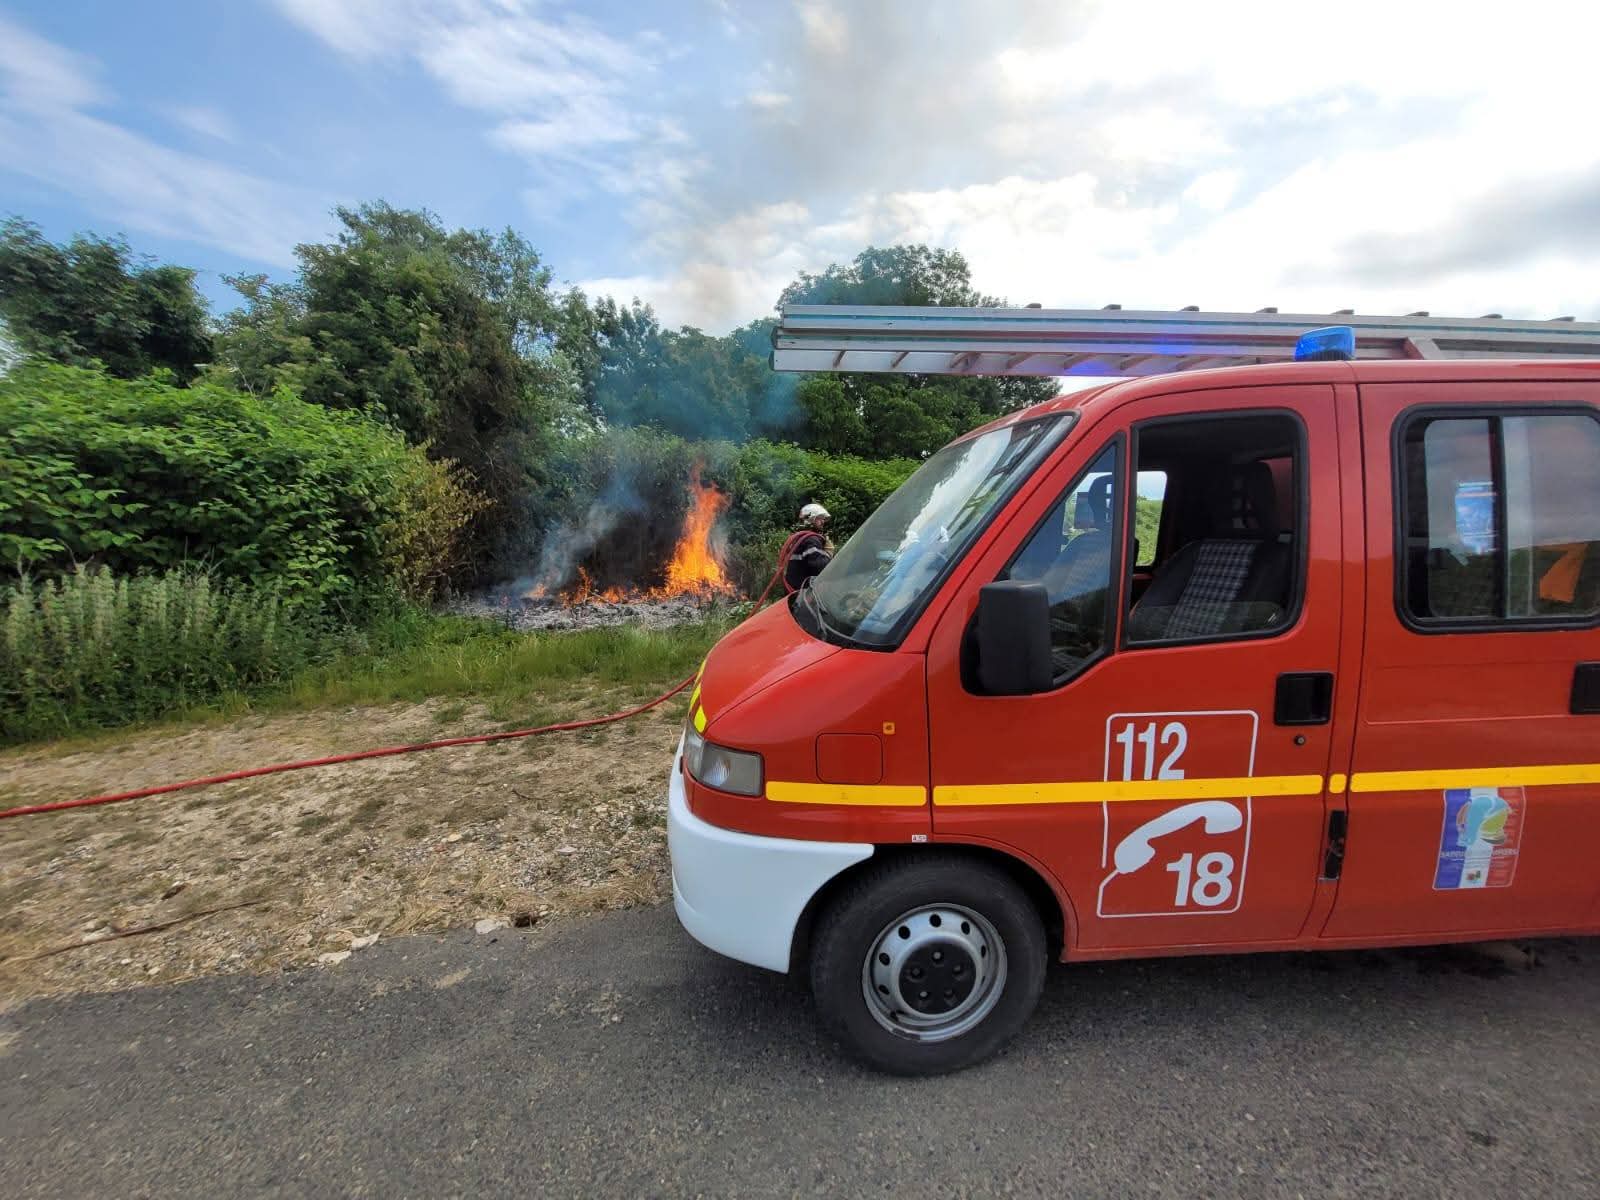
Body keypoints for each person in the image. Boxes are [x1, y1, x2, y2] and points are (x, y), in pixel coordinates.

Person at [784, 502, 833, 592]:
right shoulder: (811, 540)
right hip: (804, 592)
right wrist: (829, 552)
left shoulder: (799, 538)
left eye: (823, 519)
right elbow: (821, 568)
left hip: (794, 590)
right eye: (820, 518)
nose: (823, 522)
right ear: (811, 519)